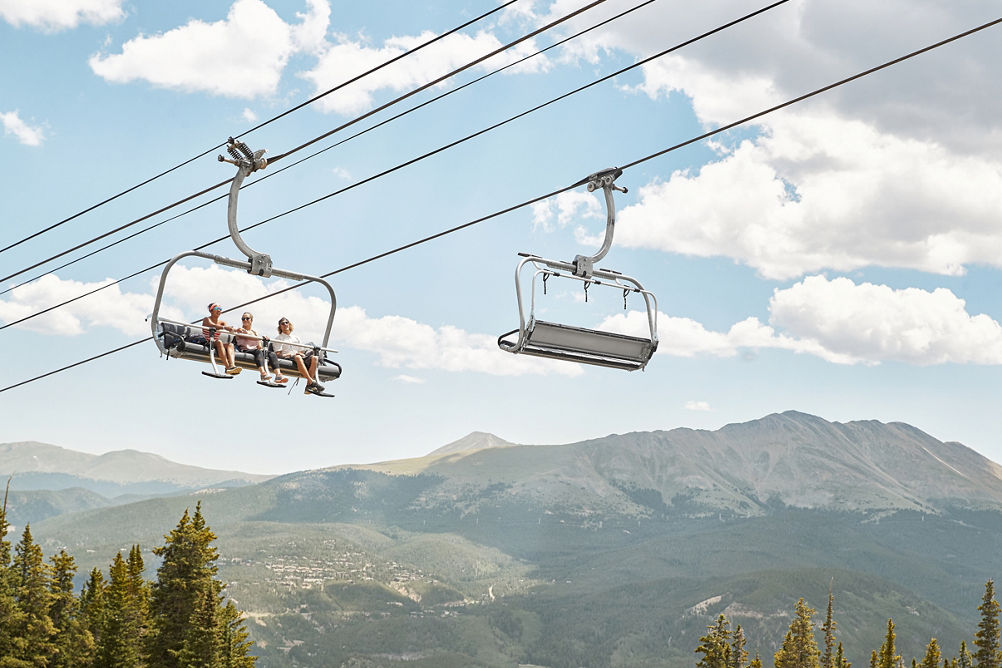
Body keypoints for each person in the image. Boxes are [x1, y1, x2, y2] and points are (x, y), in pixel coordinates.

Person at [273, 317, 325, 395]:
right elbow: (278, 354)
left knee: (315, 358)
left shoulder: (296, 338)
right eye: (282, 323)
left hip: (299, 356)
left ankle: (309, 385)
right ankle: (311, 382)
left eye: (286, 322)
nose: (285, 324)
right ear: (280, 326)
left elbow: (300, 351)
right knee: (298, 357)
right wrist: (292, 354)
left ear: (289, 324)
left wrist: (300, 353)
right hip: (288, 357)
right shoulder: (278, 339)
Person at [235, 312, 288, 384]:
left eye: (247, 318)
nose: (245, 320)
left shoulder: (255, 332)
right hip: (245, 350)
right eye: (243, 319)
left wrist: (263, 339)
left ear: (251, 320)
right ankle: (263, 373)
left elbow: (259, 346)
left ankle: (278, 375)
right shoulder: (240, 330)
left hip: (255, 350)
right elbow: (245, 334)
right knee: (258, 352)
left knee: (271, 354)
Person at [201, 302, 240, 375]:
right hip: (207, 342)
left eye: (220, 309)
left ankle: (232, 365)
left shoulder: (222, 323)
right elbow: (212, 325)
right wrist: (224, 327)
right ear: (211, 310)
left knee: (230, 345)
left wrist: (236, 330)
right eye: (216, 308)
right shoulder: (206, 319)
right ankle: (227, 367)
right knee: (219, 342)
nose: (219, 310)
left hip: (215, 342)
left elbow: (230, 329)